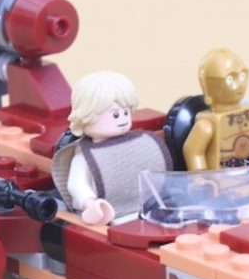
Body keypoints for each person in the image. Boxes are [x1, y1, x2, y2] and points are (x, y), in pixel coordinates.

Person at [51, 72, 171, 225]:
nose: (123, 119)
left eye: (126, 112)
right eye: (115, 115)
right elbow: (76, 184)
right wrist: (90, 204)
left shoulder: (138, 143)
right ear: (87, 115)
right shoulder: (86, 153)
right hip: (106, 216)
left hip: (144, 209)